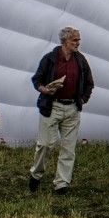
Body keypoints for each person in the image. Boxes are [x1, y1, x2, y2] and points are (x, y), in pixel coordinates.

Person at [29, 27, 93, 195]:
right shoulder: (50, 59)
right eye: (75, 40)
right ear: (65, 41)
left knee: (68, 148)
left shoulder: (80, 60)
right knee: (45, 144)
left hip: (72, 107)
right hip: (52, 106)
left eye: (78, 40)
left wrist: (82, 99)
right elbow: (37, 80)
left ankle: (61, 183)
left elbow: (89, 83)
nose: (78, 43)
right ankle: (36, 174)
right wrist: (44, 90)